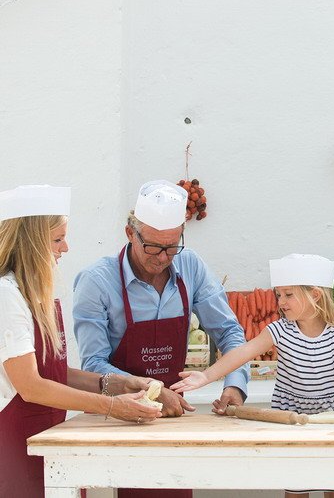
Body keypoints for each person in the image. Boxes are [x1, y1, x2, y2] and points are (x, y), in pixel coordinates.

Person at [73, 180, 249, 498]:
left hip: (173, 415)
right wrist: (151, 391)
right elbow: (93, 365)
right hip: (118, 413)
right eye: (153, 246)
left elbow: (229, 332)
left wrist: (235, 385)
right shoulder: (96, 282)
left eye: (172, 246)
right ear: (131, 234)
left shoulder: (190, 265)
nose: (163, 257)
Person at [172, 253, 334, 498]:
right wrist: (205, 376)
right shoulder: (279, 330)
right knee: (295, 486)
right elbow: (244, 352)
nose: (281, 301)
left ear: (314, 295)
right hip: (289, 421)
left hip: (332, 419)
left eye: (289, 294)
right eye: (279, 294)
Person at [0, 185, 161, 498]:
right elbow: (30, 386)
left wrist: (113, 383)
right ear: (32, 242)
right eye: (58, 239)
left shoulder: (35, 293)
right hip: (21, 445)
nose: (66, 247)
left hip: (51, 440)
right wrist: (112, 407)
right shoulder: (7, 296)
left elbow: (55, 373)